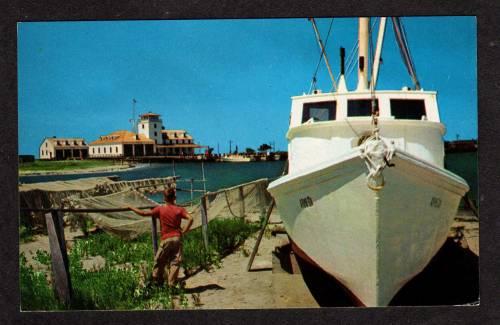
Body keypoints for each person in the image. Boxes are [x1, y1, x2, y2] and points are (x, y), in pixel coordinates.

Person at [127, 187, 193, 287]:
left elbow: (144, 213)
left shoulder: (160, 209)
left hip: (166, 238)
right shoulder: (179, 209)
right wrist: (184, 231)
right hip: (177, 238)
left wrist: (131, 208)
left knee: (160, 260)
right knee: (175, 262)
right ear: (174, 197)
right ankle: (171, 283)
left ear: (164, 198)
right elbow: (190, 218)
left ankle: (156, 281)